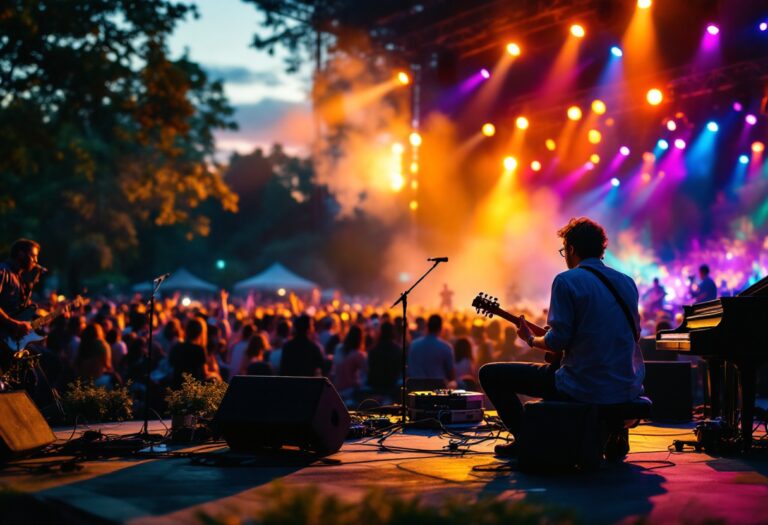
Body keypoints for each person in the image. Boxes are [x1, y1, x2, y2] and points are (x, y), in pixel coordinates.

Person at [479, 217, 645, 457]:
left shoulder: (566, 280)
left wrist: (529, 338)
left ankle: (525, 439)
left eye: (563, 250)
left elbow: (557, 341)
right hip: (626, 383)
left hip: (584, 384)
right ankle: (614, 431)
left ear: (571, 249)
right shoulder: (627, 282)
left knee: (490, 374)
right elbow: (633, 334)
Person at [0, 239, 43, 371]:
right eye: (33, 256)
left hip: (11, 339)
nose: (36, 261)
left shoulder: (18, 277)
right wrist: (14, 324)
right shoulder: (3, 271)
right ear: (20, 254)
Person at [407, 314, 455, 384]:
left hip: (415, 388)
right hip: (437, 389)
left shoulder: (413, 344)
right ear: (440, 328)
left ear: (427, 326)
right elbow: (451, 375)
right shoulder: (445, 347)